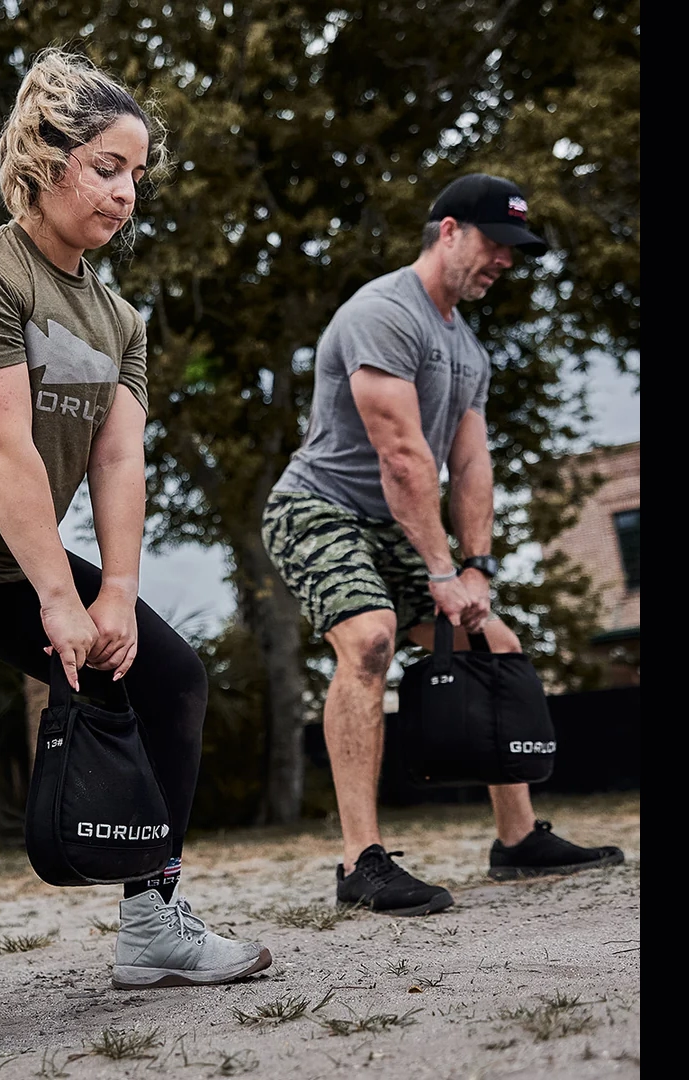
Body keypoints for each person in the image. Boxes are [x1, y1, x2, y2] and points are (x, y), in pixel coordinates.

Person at [0, 49, 272, 1066]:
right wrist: (55, 602)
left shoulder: (119, 320)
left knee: (170, 678)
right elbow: (4, 451)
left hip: (8, 554)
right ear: (48, 158)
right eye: (110, 167)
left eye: (137, 176)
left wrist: (113, 593)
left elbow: (118, 457)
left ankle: (154, 924)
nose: (126, 192)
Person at [259, 173, 626, 917]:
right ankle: (360, 862)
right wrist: (437, 570)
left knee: (495, 643)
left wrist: (475, 568)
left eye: (514, 252)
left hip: (397, 523)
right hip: (318, 508)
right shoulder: (384, 314)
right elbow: (401, 457)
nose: (505, 262)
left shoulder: (469, 350)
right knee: (369, 638)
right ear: (449, 230)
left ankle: (516, 841)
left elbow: (471, 464)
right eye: (496, 244)